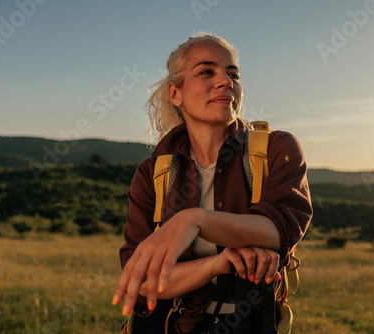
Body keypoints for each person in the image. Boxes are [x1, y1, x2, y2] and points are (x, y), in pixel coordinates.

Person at [112, 33, 312, 334]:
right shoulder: (153, 172)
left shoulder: (275, 149)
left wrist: (195, 220)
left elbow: (279, 229)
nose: (225, 81)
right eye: (207, 71)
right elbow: (143, 281)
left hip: (250, 324)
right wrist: (216, 264)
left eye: (233, 74)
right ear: (175, 94)